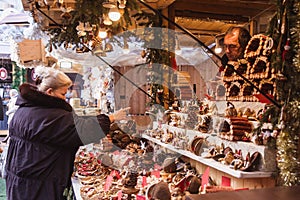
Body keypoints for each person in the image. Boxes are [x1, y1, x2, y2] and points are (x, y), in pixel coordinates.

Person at [5, 66, 130, 200]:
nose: (65, 99)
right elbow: (82, 130)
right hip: (38, 186)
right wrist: (111, 118)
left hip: (20, 181)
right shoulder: (49, 115)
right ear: (50, 92)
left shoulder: (25, 109)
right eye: (63, 94)